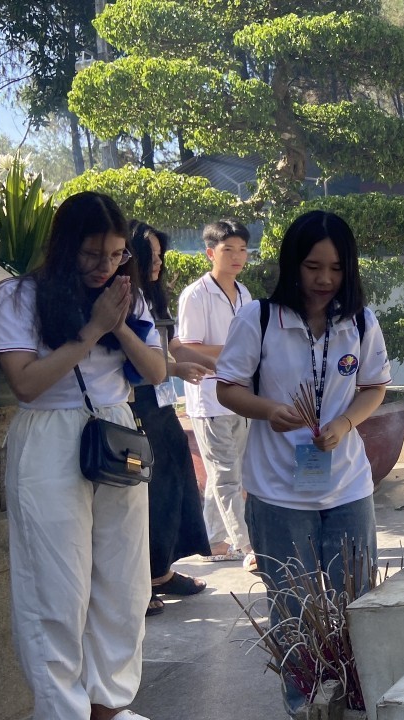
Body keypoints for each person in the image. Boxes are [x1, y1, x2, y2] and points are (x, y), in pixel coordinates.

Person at [0, 191, 165, 720]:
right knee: (55, 590)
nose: (105, 266)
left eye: (116, 255)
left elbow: (156, 371)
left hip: (115, 435)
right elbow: (27, 384)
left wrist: (116, 324)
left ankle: (107, 706)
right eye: (93, 255)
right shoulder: (17, 297)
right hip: (49, 438)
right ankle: (62, 712)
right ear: (66, 247)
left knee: (123, 583)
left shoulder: (125, 296)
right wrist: (90, 330)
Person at [214, 210, 389, 715]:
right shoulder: (260, 318)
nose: (324, 280)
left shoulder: (359, 321)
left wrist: (347, 422)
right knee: (292, 610)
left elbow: (375, 385)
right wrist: (270, 411)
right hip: (277, 492)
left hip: (348, 486)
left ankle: (355, 698)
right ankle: (305, 706)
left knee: (354, 603)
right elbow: (228, 387)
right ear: (293, 264)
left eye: (336, 269)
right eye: (313, 267)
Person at [127, 221, 213, 616]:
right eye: (152, 256)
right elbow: (143, 362)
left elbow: (174, 347)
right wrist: (174, 369)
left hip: (161, 407)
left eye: (161, 256)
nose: (159, 263)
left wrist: (227, 365)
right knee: (144, 493)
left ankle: (160, 571)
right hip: (135, 406)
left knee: (174, 484)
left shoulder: (151, 297)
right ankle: (137, 581)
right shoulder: (121, 298)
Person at [177, 219, 255, 569]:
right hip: (209, 398)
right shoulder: (195, 295)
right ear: (210, 253)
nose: (238, 256)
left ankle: (214, 541)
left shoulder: (245, 293)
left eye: (242, 249)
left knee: (225, 471)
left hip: (242, 395)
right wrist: (235, 352)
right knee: (226, 474)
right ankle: (249, 546)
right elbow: (185, 348)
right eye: (229, 249)